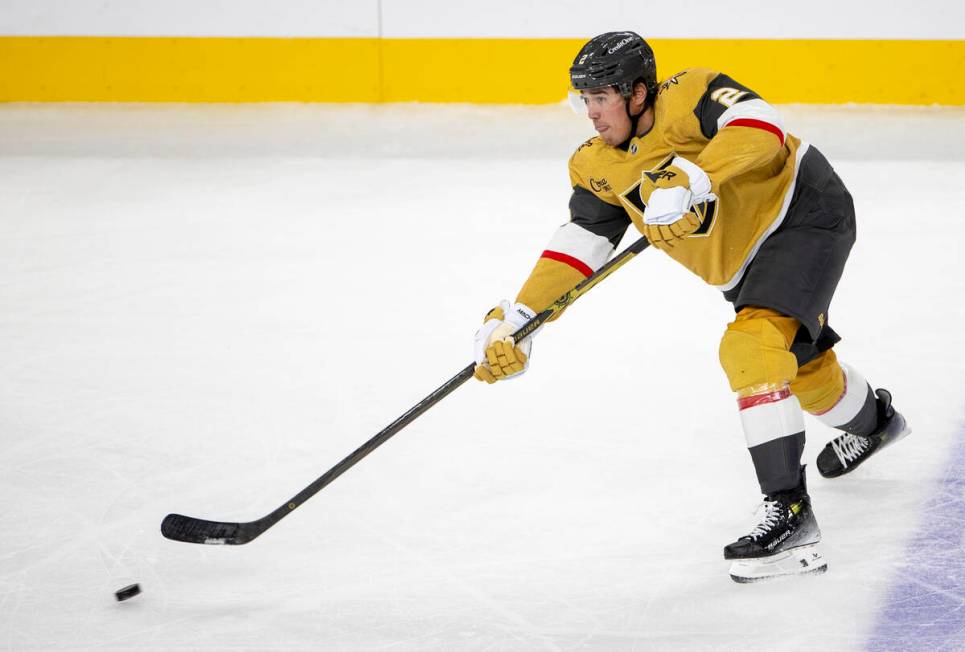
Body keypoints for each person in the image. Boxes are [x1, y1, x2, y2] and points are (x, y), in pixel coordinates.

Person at [471, 31, 911, 583]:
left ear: (637, 93)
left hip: (803, 212)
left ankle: (790, 516)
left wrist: (693, 175)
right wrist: (520, 318)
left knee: (749, 348)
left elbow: (762, 128)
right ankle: (877, 423)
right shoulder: (595, 164)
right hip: (745, 258)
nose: (591, 113)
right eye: (583, 98)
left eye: (601, 97)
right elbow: (582, 240)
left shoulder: (692, 92)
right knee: (801, 370)